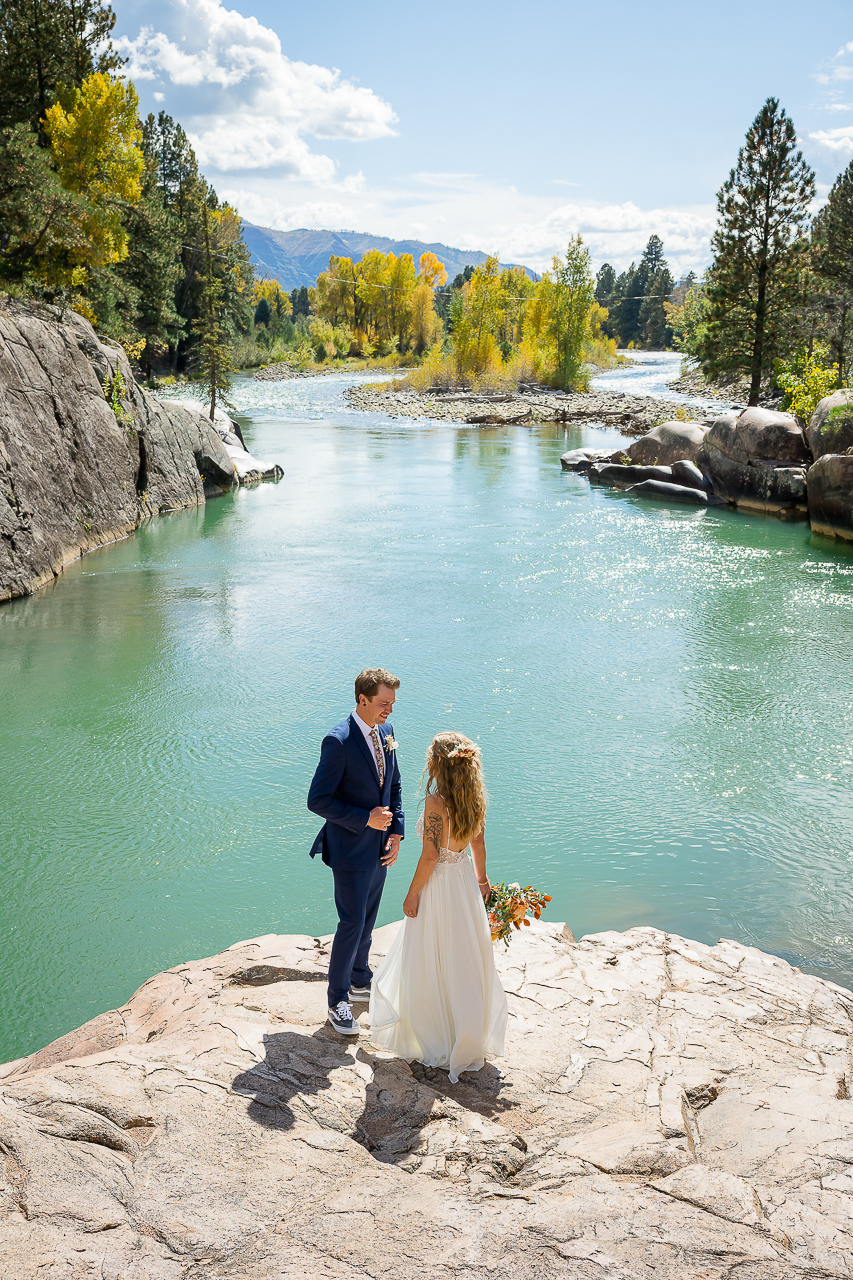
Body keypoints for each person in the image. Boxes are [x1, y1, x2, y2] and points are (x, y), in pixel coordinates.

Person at [369, 732, 507, 1082]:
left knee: (433, 957)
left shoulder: (436, 802)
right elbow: (479, 844)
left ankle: (435, 1034)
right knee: (464, 957)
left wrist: (413, 893)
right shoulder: (476, 798)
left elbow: (431, 855)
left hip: (440, 886)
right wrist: (482, 881)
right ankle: (465, 1034)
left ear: (438, 764)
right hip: (463, 883)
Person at [307, 668, 404, 1035]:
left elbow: (394, 784)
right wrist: (366, 819)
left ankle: (361, 978)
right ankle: (338, 1001)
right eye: (383, 704)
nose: (389, 711)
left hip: (380, 848)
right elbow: (317, 800)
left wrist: (395, 831)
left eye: (392, 704)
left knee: (368, 920)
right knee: (351, 923)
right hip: (349, 850)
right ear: (362, 699)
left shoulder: (388, 732)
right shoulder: (339, 742)